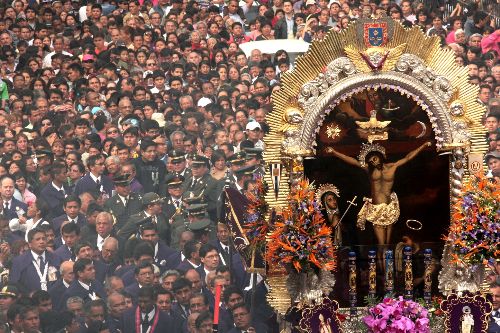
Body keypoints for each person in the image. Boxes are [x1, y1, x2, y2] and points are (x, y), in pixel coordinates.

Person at [326, 141, 431, 245]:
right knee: (382, 244)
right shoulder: (369, 169)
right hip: (376, 209)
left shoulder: (392, 166)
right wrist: (334, 152)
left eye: (374, 158)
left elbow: (408, 157)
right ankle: (379, 261)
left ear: (380, 156)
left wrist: (423, 146)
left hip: (390, 208)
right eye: (371, 161)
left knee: (388, 243)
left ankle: (387, 262)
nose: (373, 162)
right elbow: (353, 161)